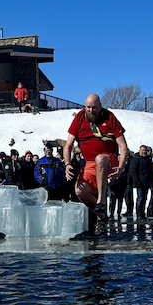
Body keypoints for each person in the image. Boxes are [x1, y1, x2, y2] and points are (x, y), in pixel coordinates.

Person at [64, 93, 129, 236]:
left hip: (108, 160)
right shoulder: (80, 117)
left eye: (94, 108)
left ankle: (101, 201)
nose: (91, 111)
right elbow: (68, 145)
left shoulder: (109, 117)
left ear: (100, 106)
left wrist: (121, 167)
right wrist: (67, 164)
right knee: (80, 191)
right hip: (89, 163)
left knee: (100, 158)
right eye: (88, 107)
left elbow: (123, 146)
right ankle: (101, 215)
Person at [129, 145, 150, 222]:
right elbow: (132, 171)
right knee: (140, 199)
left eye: (145, 150)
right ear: (140, 150)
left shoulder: (147, 159)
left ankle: (142, 213)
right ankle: (139, 214)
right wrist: (137, 181)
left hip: (146, 182)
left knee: (144, 199)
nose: (144, 152)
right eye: (142, 150)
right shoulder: (136, 159)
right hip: (140, 183)